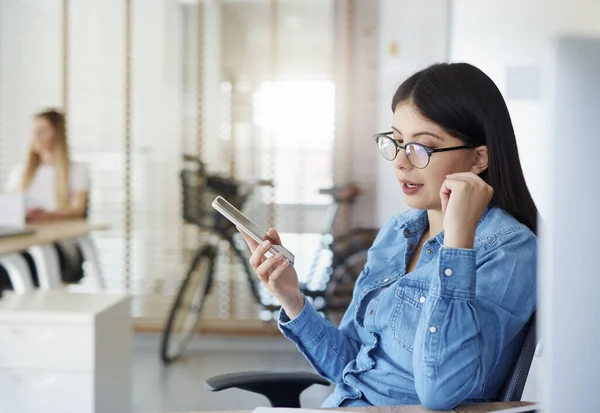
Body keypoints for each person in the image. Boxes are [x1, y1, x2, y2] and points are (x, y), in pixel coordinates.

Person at [238, 63, 538, 410]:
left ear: (478, 157)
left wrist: (458, 244)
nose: (400, 162)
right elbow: (350, 365)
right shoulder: (400, 232)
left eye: (421, 148)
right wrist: (292, 298)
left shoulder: (510, 250)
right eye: (396, 142)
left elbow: (440, 393)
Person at [3, 109, 90, 286]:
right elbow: (8, 206)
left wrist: (49, 215)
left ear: (56, 134)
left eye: (42, 130)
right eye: (33, 130)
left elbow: (78, 210)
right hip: (23, 241)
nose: (35, 135)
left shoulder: (77, 170)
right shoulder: (19, 172)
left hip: (56, 246)